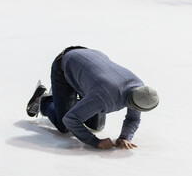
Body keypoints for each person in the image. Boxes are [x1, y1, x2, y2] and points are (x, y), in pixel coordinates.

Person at [26, 46, 159, 150]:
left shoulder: (140, 89)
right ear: (133, 104)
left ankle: (64, 100)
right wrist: (95, 142)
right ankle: (45, 100)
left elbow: (134, 118)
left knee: (96, 126)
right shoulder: (105, 98)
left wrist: (125, 137)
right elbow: (70, 119)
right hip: (65, 63)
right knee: (64, 126)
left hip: (92, 67)